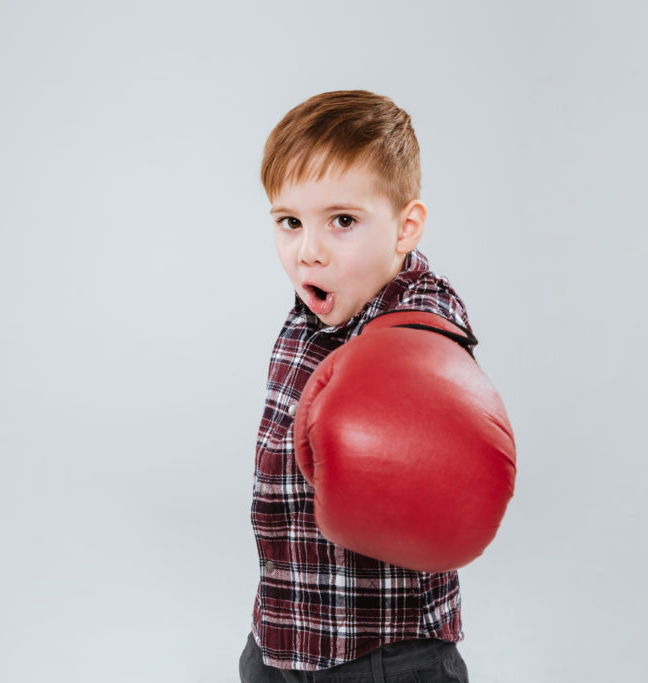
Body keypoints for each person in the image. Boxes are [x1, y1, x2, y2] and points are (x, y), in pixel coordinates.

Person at [240, 90, 482, 682]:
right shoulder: (316, 306)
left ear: (406, 227)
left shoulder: (416, 316)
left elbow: (432, 340)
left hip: (386, 650)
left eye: (343, 221)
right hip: (285, 627)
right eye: (289, 223)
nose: (310, 252)